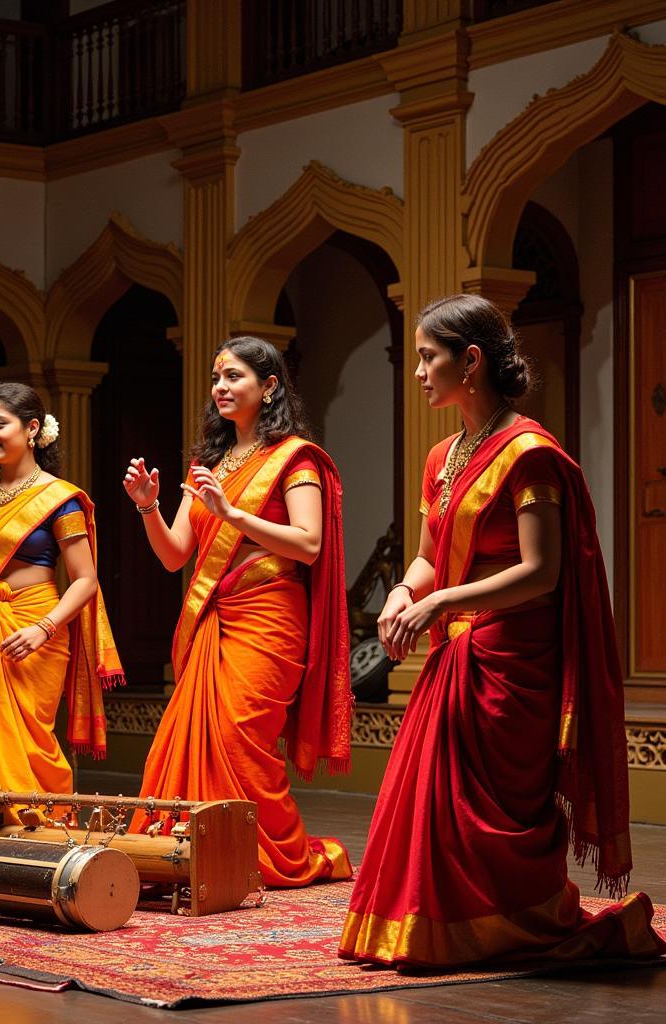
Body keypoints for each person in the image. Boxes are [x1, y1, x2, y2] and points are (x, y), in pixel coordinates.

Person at [340, 294, 665, 966]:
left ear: (472, 360)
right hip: (459, 644)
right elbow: (430, 556)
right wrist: (405, 591)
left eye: (429, 357)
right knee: (430, 796)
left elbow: (543, 573)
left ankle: (503, 921)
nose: (420, 371)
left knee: (489, 811)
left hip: (512, 656)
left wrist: (442, 603)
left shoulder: (529, 455)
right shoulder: (443, 456)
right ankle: (433, 922)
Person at [123, 336, 353, 887]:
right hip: (213, 615)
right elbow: (176, 553)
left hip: (271, 613)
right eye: (216, 377)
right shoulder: (210, 462)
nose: (221, 388)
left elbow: (308, 543)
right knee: (191, 736)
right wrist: (149, 507)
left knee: (239, 739)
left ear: (269, 386)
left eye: (234, 377)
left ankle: (280, 855)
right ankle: (195, 850)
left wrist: (229, 512)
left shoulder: (295, 459)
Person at [0, 382, 123, 834]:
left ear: (32, 429)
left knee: (30, 737)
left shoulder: (59, 498)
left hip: (35, 629)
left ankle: (33, 831)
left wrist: (45, 628)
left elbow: (86, 580)